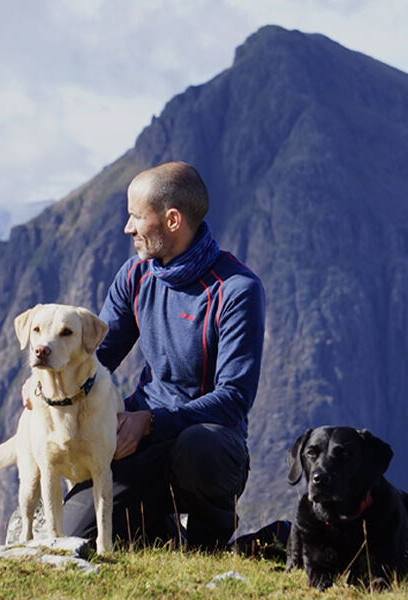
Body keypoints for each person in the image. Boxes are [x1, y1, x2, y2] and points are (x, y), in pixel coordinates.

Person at [62, 161, 265, 551]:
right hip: (143, 439)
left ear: (172, 220)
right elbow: (95, 356)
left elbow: (235, 399)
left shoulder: (237, 290)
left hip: (206, 444)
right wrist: (47, 383)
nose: (128, 228)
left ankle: (209, 541)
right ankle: (162, 533)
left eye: (137, 216)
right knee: (75, 536)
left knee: (199, 447)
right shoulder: (136, 275)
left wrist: (152, 422)